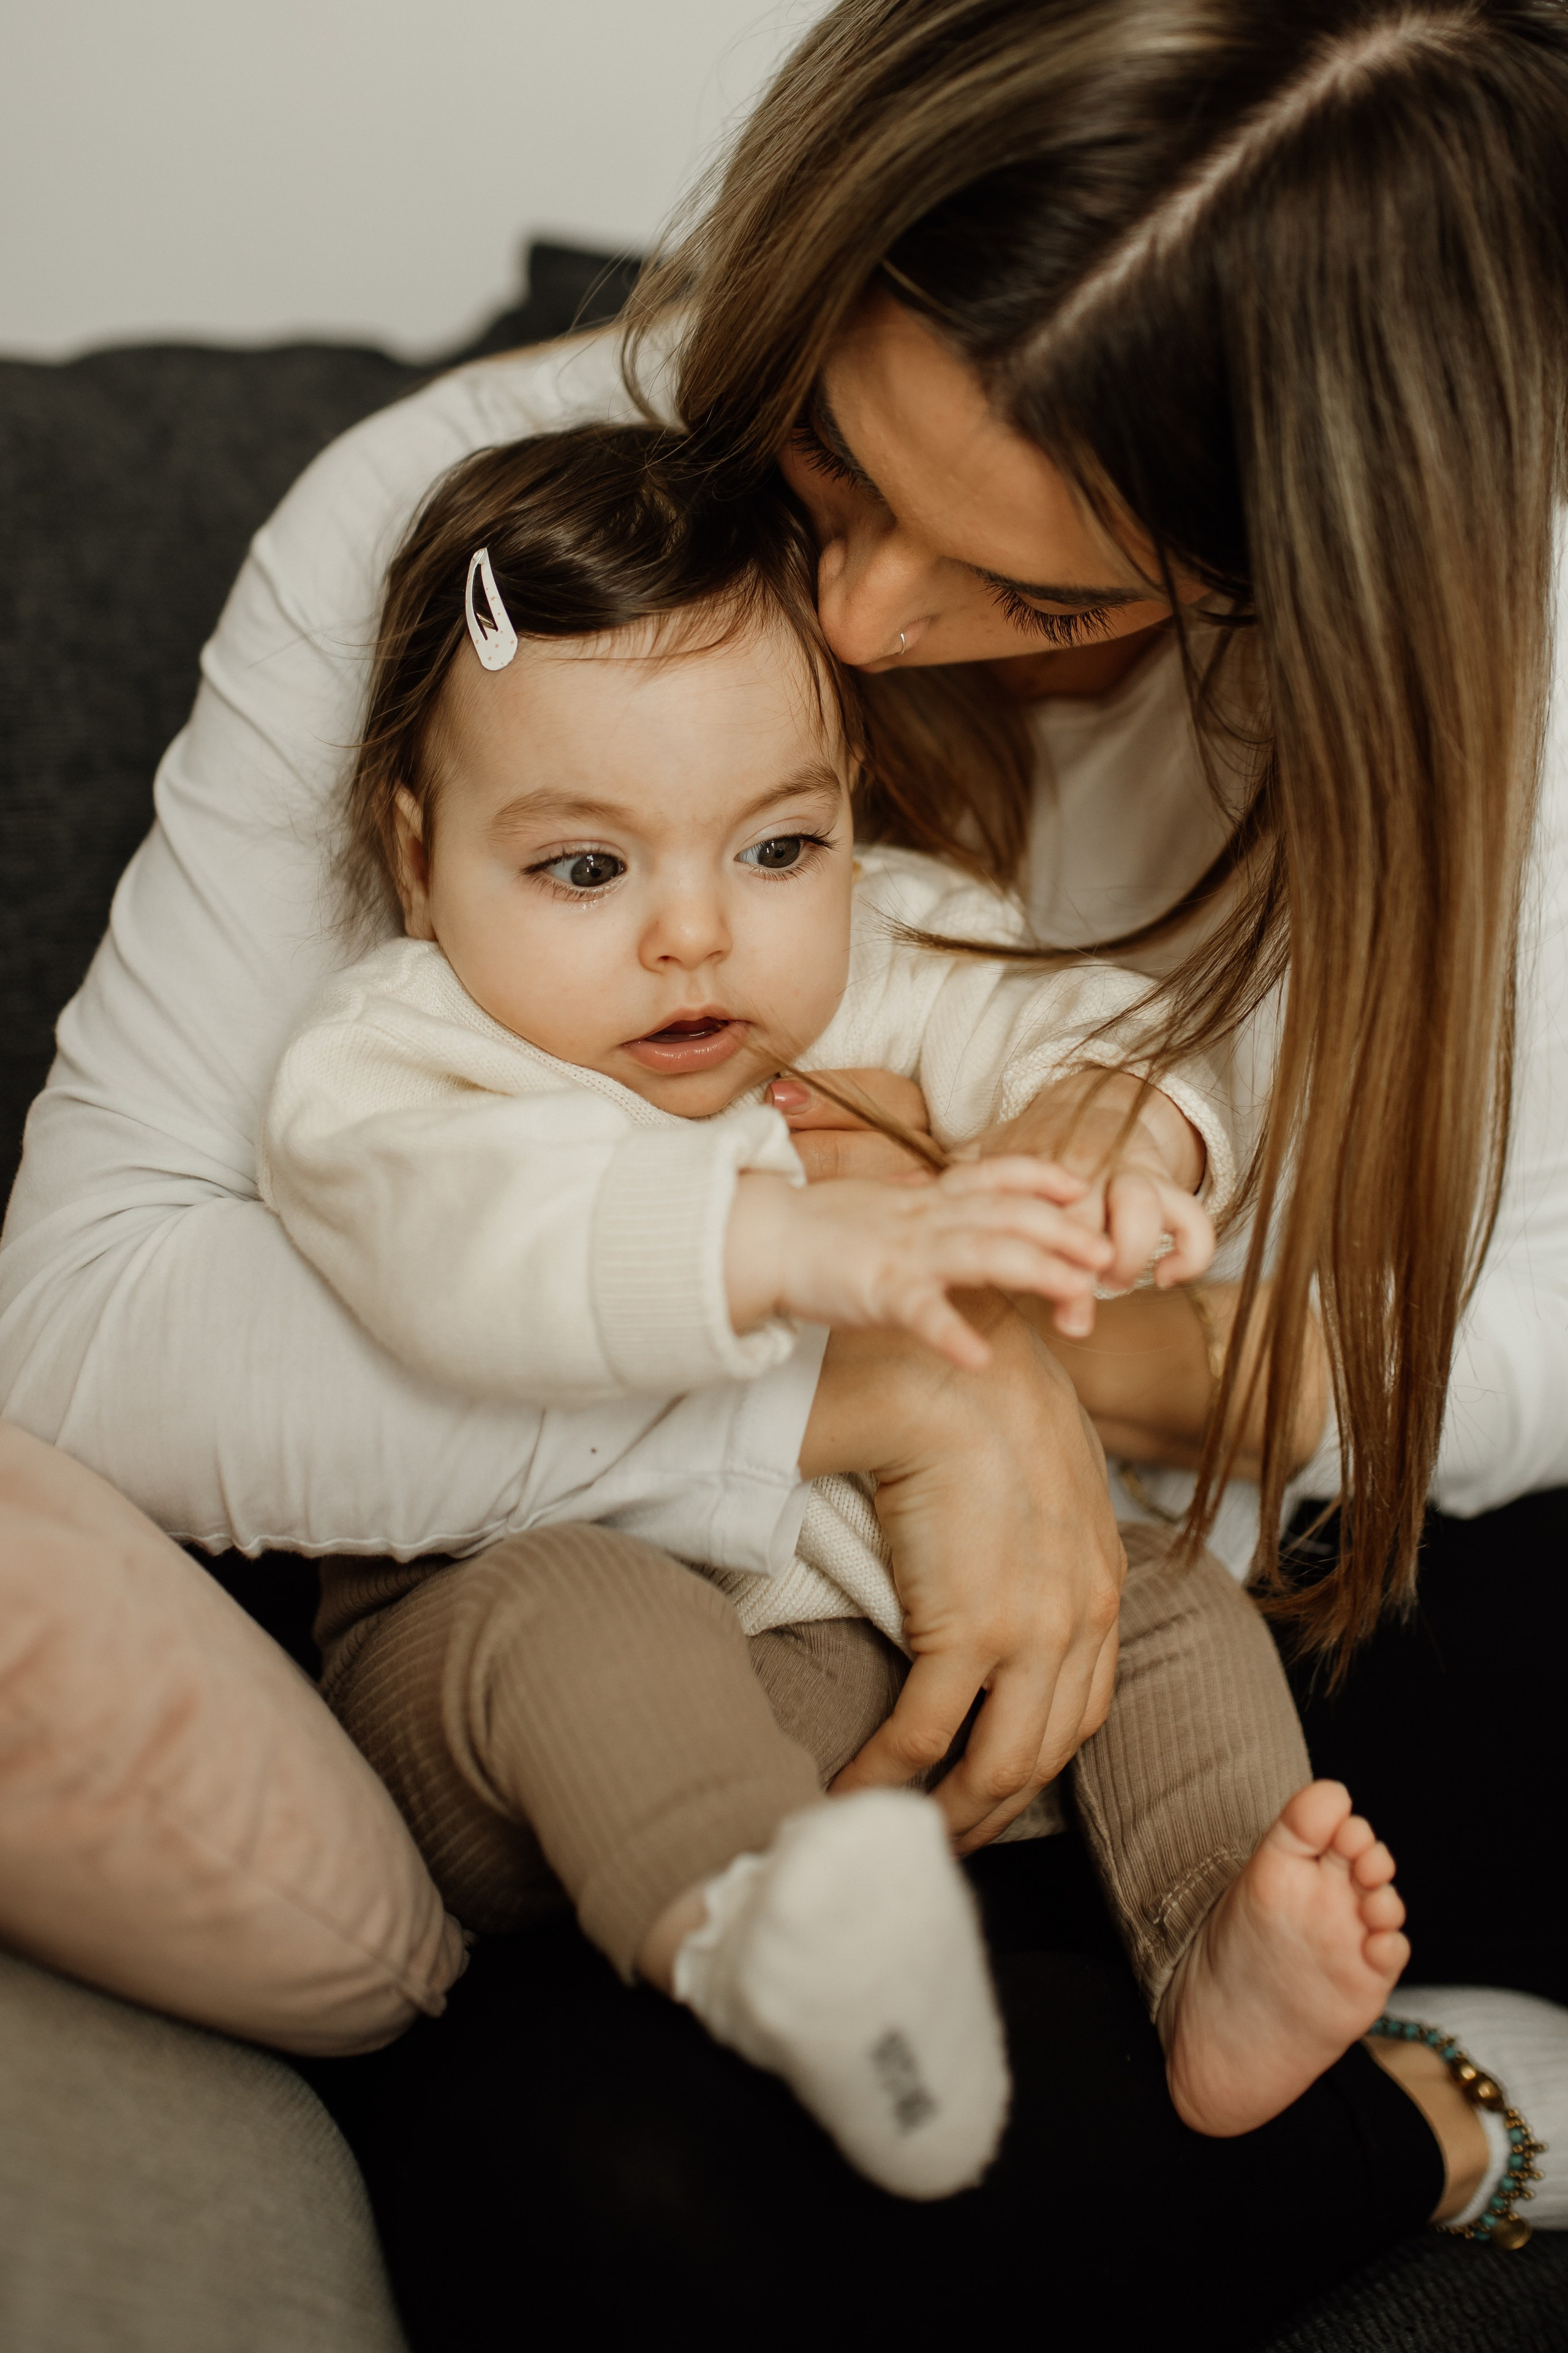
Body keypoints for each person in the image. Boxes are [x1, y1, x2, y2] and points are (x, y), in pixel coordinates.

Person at [2, 0, 1565, 2336]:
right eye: (841, 465)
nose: (859, 631)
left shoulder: (1477, 669)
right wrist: (873, 1381)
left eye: (1047, 596)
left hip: (1178, 1597)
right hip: (648, 1650)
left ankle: (1250, 1972)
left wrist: (1085, 1302)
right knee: (623, 2193)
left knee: (1222, 1650)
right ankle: (1438, 2117)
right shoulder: (488, 570)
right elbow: (86, 1325)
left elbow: (1481, 1300)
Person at [264, 417, 1409, 2199]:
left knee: (1166, 1586)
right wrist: (789, 1251)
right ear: (419, 859)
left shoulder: (874, 951)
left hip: (875, 1672)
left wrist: (1101, 1132)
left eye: (777, 847)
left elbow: (1082, 1019)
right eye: (588, 868)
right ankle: (766, 1939)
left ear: (844, 813)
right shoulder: (399, 1057)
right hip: (530, 1711)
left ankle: (1214, 1940)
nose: (696, 935)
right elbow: (464, 1252)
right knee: (578, 1614)